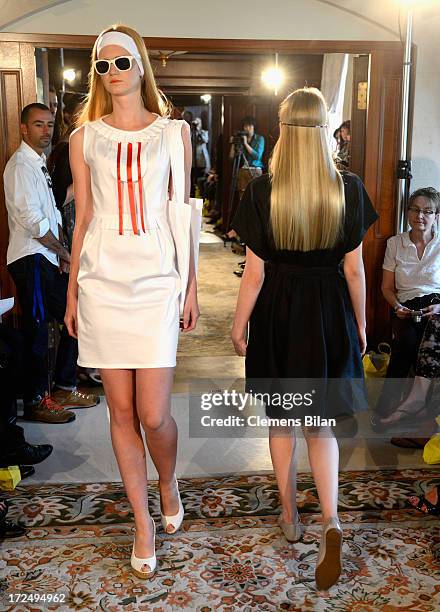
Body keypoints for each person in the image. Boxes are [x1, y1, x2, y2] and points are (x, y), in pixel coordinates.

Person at [65, 24, 200, 579]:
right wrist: (73, 290)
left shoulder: (174, 133)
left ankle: (167, 480)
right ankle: (142, 522)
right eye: (103, 65)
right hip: (102, 282)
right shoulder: (84, 138)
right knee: (120, 413)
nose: (113, 73)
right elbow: (85, 219)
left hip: (155, 282)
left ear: (141, 66)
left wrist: (190, 284)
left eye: (122, 62)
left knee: (154, 413)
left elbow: (182, 212)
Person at [231, 87, 378, 592]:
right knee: (321, 425)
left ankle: (291, 517)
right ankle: (331, 519)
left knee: (283, 421)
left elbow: (253, 275)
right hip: (329, 312)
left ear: (283, 128)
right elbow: (355, 271)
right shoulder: (349, 188)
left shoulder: (260, 190)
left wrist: (237, 324)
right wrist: (360, 325)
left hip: (279, 311)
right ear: (324, 129)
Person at [3, 103, 95, 424]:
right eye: (39, 125)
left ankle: (64, 386)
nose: (46, 131)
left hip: (44, 258)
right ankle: (35, 400)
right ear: (24, 129)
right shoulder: (20, 167)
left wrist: (60, 253)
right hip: (30, 258)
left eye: (50, 125)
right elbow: (33, 222)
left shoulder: (39, 163)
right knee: (37, 334)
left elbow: (53, 213)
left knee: (74, 316)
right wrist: (64, 253)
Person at [373, 187, 440, 426]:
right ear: (408, 212)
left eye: (427, 211)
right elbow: (386, 288)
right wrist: (398, 306)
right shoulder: (395, 243)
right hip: (407, 305)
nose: (420, 216)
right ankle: (389, 404)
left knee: (430, 334)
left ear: (436, 216)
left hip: (436, 305)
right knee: (406, 342)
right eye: (414, 209)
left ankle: (419, 407)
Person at [190, 117, 210, 197]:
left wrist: (198, 131)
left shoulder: (204, 132)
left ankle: (200, 196)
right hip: (193, 162)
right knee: (192, 179)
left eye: (198, 123)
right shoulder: (190, 133)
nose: (196, 124)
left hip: (202, 161)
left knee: (200, 179)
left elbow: (205, 140)